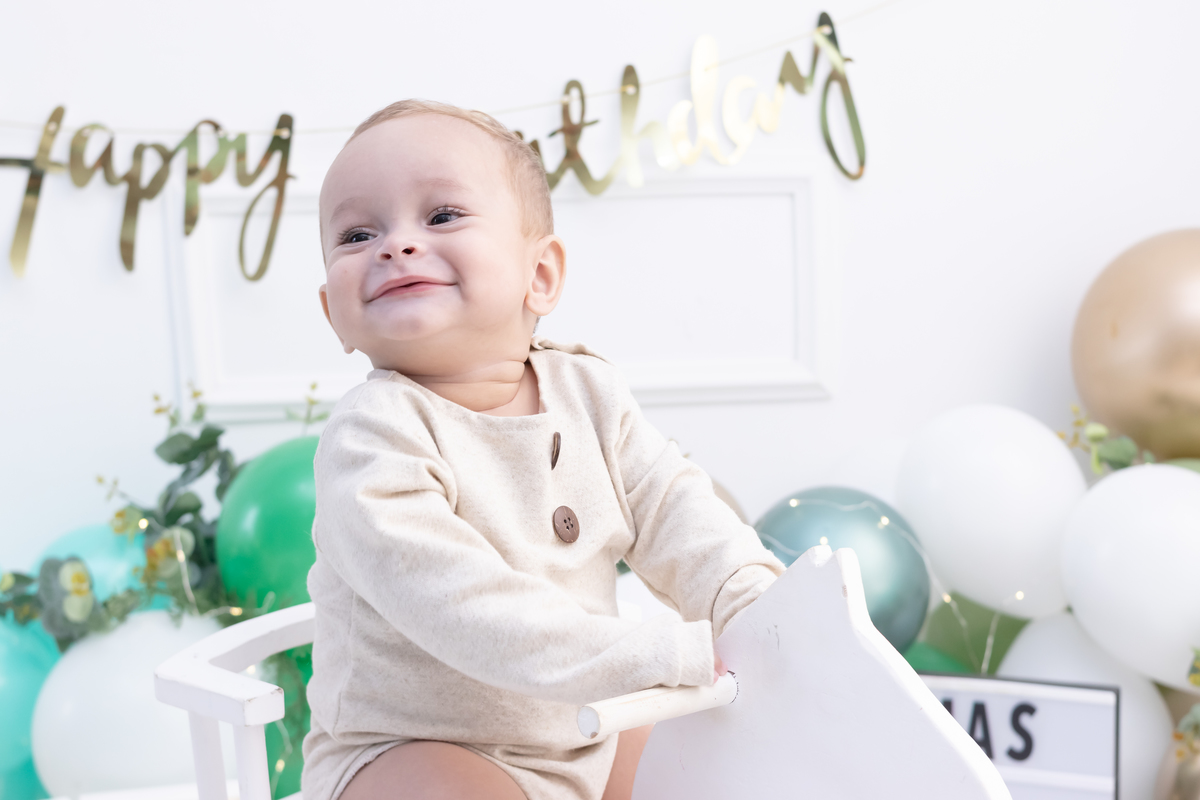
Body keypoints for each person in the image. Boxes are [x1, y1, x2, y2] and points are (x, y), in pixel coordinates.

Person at [302, 99, 785, 800]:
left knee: (705, 767)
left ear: (542, 276)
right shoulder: (371, 439)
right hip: (408, 749)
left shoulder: (589, 392)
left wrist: (754, 605)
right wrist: (667, 651)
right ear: (333, 315)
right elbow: (468, 611)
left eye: (440, 216)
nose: (395, 244)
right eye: (356, 233)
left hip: (582, 728)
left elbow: (678, 510)